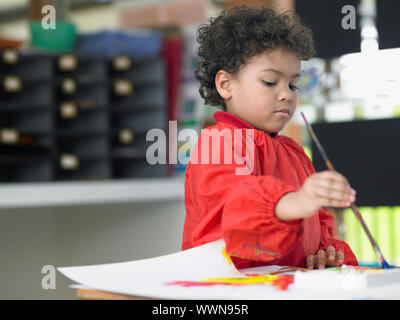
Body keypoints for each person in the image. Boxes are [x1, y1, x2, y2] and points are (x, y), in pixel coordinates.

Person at [182, 6, 358, 270]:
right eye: (269, 82)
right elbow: (237, 204)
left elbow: (319, 225)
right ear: (226, 85)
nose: (286, 94)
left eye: (292, 84)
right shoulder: (218, 142)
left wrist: (324, 253)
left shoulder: (294, 152)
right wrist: (294, 202)